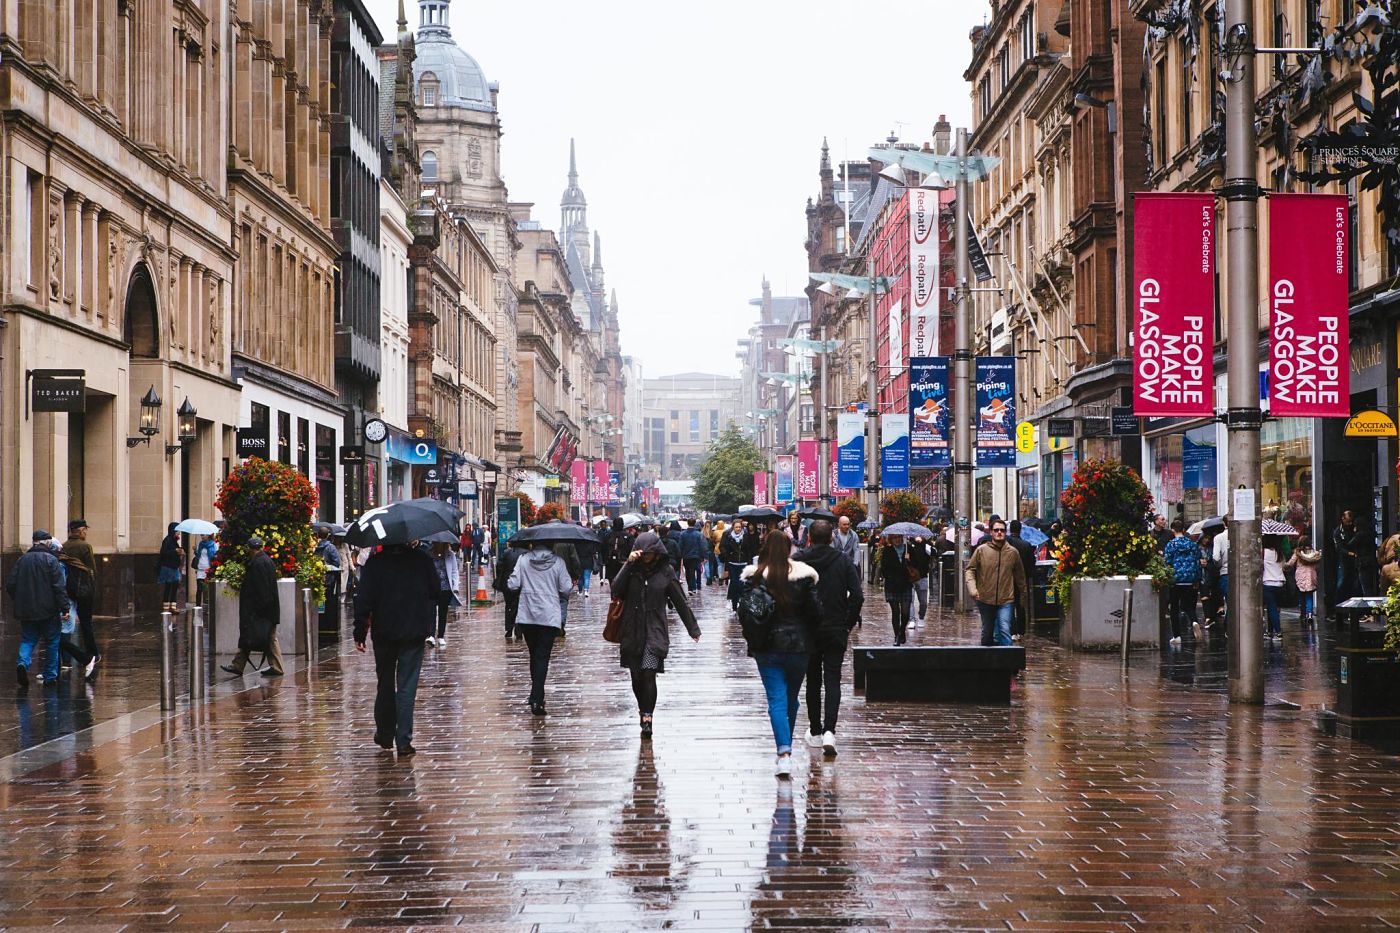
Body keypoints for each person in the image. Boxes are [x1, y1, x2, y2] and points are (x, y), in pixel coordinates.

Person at [739, 533, 821, 778]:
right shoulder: (805, 577)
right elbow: (816, 612)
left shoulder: (754, 578)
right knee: (791, 699)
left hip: (767, 647)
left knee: (777, 699)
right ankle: (786, 746)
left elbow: (743, 612)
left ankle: (783, 753)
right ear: (788, 549)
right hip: (799, 647)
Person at [354, 541, 440, 756]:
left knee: (384, 683)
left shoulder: (375, 564)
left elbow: (364, 600)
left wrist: (360, 631)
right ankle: (403, 740)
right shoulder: (421, 560)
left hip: (384, 631)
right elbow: (435, 591)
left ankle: (384, 734)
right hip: (413, 630)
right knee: (407, 686)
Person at [611, 532, 701, 737]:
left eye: (650, 553)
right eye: (643, 553)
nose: (646, 557)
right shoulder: (632, 570)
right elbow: (615, 590)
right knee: (636, 676)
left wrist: (693, 629)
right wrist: (628, 564)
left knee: (649, 672)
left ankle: (648, 716)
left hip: (655, 630)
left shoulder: (666, 572)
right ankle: (642, 708)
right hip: (632, 630)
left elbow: (680, 601)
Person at [794, 521, 863, 757]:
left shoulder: (799, 560)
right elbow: (858, 596)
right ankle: (830, 731)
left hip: (808, 629)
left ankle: (814, 730)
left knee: (812, 680)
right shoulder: (843, 561)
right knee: (833, 679)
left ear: (810, 538)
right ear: (831, 538)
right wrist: (848, 623)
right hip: (835, 628)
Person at [508, 541, 574, 715]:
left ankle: (536, 695)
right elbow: (566, 588)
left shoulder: (523, 560)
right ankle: (537, 697)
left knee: (534, 655)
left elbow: (513, 584)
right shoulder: (558, 562)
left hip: (528, 614)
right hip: (548, 615)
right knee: (542, 656)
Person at [7, 530, 70, 689]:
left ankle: (22, 663)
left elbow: (10, 585)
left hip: (27, 610)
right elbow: (59, 587)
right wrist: (65, 608)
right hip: (49, 610)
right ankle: (50, 676)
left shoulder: (22, 560)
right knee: (52, 642)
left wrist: (20, 600)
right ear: (46, 542)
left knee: (28, 639)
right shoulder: (51, 560)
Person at [220, 536, 284, 678]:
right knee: (260, 636)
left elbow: (262, 589)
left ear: (250, 549)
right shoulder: (266, 561)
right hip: (268, 609)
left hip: (261, 611)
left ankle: (275, 667)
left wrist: (258, 610)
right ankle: (239, 665)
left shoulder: (258, 564)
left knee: (260, 636)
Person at [964, 519, 1026, 647]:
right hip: (985, 598)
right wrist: (973, 589)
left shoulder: (1013, 552)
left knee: (1004, 629)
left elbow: (1020, 576)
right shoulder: (981, 550)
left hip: (1006, 599)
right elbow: (970, 569)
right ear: (991, 532)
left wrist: (1023, 596)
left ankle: (1009, 663)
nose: (999, 533)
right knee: (987, 632)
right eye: (996, 530)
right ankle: (987, 661)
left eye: (1002, 530)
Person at [61, 518, 99, 659]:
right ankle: (92, 652)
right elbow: (91, 569)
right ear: (82, 531)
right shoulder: (85, 546)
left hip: (67, 589)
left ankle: (65, 658)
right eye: (85, 530)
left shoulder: (63, 546)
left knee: (66, 623)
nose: (86, 533)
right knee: (85, 623)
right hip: (83, 590)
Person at [1162, 519, 1202, 646]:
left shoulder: (1171, 544)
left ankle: (1177, 636)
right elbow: (1197, 560)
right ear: (1184, 530)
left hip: (1176, 579)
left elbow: (1167, 561)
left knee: (1174, 608)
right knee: (1188, 605)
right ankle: (1194, 621)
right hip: (1190, 579)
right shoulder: (1192, 544)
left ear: (1173, 530)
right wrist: (1197, 578)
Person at [1006, 520, 1037, 639]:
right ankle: (1021, 631)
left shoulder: (1007, 543)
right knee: (1021, 605)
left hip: (1009, 579)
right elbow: (1031, 564)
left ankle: (1013, 631)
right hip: (1022, 580)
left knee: (1010, 605)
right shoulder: (1027, 545)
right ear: (1020, 530)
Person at [428, 542, 461, 648]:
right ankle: (431, 635)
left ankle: (441, 636)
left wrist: (455, 587)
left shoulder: (450, 554)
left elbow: (455, 571)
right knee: (431, 612)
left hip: (446, 588)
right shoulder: (429, 554)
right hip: (432, 587)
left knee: (443, 612)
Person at [494, 538, 527, 639]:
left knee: (509, 605)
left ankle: (509, 628)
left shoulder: (507, 553)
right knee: (520, 606)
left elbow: (499, 566)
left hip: (507, 582)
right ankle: (519, 628)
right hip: (522, 582)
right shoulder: (525, 553)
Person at [1332, 510, 1363, 614]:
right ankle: (1337, 609)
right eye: (1348, 522)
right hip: (1344, 560)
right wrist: (1350, 553)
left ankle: (1354, 610)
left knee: (1355, 584)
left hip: (1354, 559)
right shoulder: (1338, 531)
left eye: (1351, 522)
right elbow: (1339, 548)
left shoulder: (1354, 528)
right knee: (1341, 583)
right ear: (1343, 519)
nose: (1349, 524)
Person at [1287, 537, 1322, 629]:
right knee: (1309, 596)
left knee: (1301, 596)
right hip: (1311, 576)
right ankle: (1310, 614)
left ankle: (1303, 614)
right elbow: (1317, 566)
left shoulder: (1298, 553)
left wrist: (1284, 566)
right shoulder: (1314, 554)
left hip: (1301, 577)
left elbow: (1291, 563)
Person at [551, 534, 581, 637]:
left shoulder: (549, 542)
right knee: (563, 600)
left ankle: (553, 623)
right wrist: (576, 575)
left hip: (550, 575)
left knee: (552, 600)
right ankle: (561, 622)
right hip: (566, 575)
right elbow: (574, 560)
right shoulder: (568, 542)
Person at [720, 518, 751, 611]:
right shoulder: (727, 535)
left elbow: (749, 549)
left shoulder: (746, 536)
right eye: (736, 527)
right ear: (733, 527)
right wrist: (727, 555)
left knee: (742, 583)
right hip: (732, 563)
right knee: (734, 583)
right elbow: (722, 546)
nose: (738, 529)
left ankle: (741, 604)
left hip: (743, 562)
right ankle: (734, 605)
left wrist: (748, 560)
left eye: (739, 527)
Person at [1262, 535, 1285, 640]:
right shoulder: (1279, 553)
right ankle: (1270, 631)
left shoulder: (1263, 552)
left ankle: (1278, 632)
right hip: (1280, 583)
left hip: (1268, 582)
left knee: (1271, 608)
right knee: (1273, 608)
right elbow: (1284, 566)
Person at [157, 522, 184, 611]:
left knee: (175, 585)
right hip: (168, 567)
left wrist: (179, 552)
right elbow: (163, 553)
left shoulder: (174, 541)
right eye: (177, 531)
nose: (179, 533)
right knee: (168, 586)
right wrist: (174, 551)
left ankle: (173, 606)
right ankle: (166, 607)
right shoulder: (167, 540)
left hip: (174, 567)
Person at [907, 534, 932, 625]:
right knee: (910, 600)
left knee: (923, 602)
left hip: (922, 577)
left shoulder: (926, 546)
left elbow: (934, 553)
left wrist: (926, 544)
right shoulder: (908, 546)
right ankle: (912, 620)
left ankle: (921, 617)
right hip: (910, 578)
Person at [678, 521, 706, 594]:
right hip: (696, 556)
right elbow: (702, 546)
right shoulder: (699, 534)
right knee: (692, 571)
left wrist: (680, 555)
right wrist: (703, 556)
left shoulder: (682, 534)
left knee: (688, 571)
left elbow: (680, 545)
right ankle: (693, 588)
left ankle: (690, 587)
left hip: (686, 556)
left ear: (688, 523)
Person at [192, 532, 219, 607]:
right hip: (200, 569)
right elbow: (198, 555)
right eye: (201, 535)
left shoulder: (214, 545)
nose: (202, 536)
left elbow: (216, 556)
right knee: (199, 589)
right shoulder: (200, 544)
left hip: (209, 569)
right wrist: (195, 550)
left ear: (208, 535)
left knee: (208, 589)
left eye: (203, 535)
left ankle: (209, 606)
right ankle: (197, 606)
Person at [1213, 516, 1230, 623]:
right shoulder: (1241, 535)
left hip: (1225, 572)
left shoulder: (1219, 538)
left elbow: (1216, 557)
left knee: (1229, 601)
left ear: (1224, 523)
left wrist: (1219, 565)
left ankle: (1228, 626)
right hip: (1241, 573)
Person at [574, 527, 599, 598]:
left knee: (580, 577)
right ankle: (586, 591)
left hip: (580, 561)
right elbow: (594, 552)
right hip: (588, 561)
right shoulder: (591, 543)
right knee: (587, 577)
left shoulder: (578, 543)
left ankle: (580, 591)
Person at [604, 517, 630, 584]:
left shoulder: (608, 535)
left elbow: (603, 548)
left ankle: (613, 592)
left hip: (610, 562)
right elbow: (630, 548)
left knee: (611, 579)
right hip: (623, 562)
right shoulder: (628, 536)